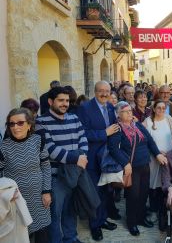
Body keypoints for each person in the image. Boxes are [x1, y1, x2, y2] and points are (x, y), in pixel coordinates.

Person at [36, 86, 88, 243]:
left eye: (66, 100)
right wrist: (76, 159)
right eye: (61, 100)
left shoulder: (74, 118)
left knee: (70, 210)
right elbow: (49, 149)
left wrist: (82, 156)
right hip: (55, 177)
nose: (65, 103)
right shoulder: (41, 122)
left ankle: (71, 238)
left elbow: (83, 139)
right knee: (55, 214)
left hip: (75, 173)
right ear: (51, 101)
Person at [107, 101, 167, 236]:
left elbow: (150, 140)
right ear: (118, 114)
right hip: (131, 167)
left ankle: (140, 218)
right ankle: (132, 222)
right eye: (126, 111)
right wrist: (125, 163)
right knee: (133, 196)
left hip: (145, 165)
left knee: (143, 194)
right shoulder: (117, 128)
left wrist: (157, 154)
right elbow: (113, 149)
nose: (129, 113)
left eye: (130, 110)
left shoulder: (138, 125)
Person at [1, 108, 51, 243]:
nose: (15, 127)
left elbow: (46, 167)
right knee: (22, 236)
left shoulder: (38, 141)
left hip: (39, 198)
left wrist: (46, 191)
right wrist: (6, 195)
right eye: (11, 124)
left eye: (20, 123)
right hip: (17, 200)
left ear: (29, 125)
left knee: (43, 236)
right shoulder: (3, 147)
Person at [77, 81, 119, 241]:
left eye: (107, 91)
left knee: (106, 191)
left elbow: (114, 128)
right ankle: (95, 225)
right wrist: (104, 133)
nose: (104, 94)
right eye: (101, 91)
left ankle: (102, 219)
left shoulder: (110, 107)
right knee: (93, 193)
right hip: (93, 158)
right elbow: (83, 133)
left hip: (108, 158)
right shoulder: (85, 108)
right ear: (95, 92)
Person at [143, 100, 172, 224]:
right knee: (153, 185)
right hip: (153, 157)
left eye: (163, 108)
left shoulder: (169, 119)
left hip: (169, 157)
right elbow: (143, 139)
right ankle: (153, 210)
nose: (161, 110)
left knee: (166, 183)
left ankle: (164, 211)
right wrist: (156, 152)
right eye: (159, 108)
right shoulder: (148, 121)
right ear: (154, 108)